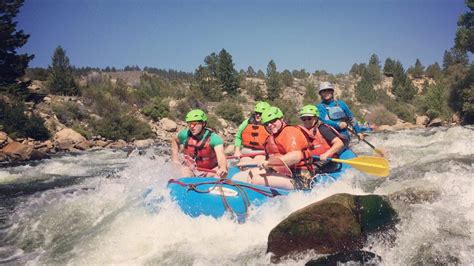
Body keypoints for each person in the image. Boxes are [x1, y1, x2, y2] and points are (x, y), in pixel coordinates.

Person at [233, 106, 315, 190]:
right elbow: (272, 159)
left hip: (302, 178)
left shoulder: (290, 131)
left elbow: (296, 156)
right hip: (286, 173)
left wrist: (271, 163)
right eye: (266, 124)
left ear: (281, 119)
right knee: (252, 172)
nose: (270, 125)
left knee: (257, 180)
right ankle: (251, 198)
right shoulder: (272, 137)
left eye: (273, 121)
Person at [171, 109, 228, 178]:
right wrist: (175, 159)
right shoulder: (184, 134)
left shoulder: (214, 139)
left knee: (223, 169)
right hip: (191, 169)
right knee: (184, 171)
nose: (191, 126)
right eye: (189, 124)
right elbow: (174, 140)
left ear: (203, 124)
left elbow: (221, 157)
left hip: (209, 171)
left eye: (195, 123)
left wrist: (223, 167)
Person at [297, 104, 345, 173]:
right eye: (303, 119)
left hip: (328, 161)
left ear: (316, 118)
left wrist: (326, 154)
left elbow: (339, 143)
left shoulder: (322, 129)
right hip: (313, 160)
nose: (306, 121)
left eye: (309, 118)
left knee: (307, 172)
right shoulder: (302, 131)